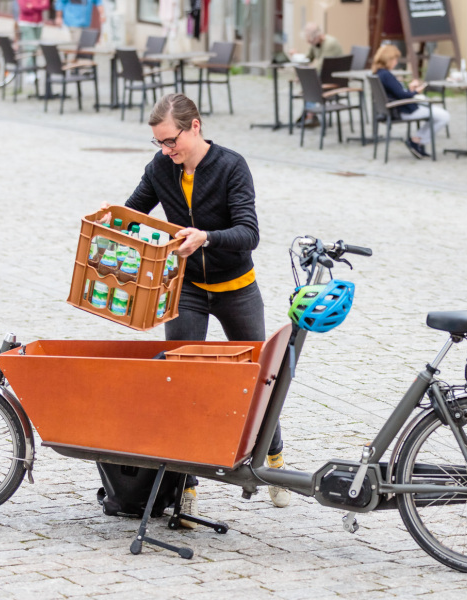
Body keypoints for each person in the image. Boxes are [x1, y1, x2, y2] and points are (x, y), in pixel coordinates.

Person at [103, 94, 290, 526]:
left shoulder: (231, 166)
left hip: (236, 288)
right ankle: (185, 489)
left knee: (260, 379)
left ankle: (273, 460)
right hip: (186, 288)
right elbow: (134, 213)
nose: (167, 151)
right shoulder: (161, 168)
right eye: (159, 144)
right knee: (183, 381)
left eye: (170, 141)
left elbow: (249, 233)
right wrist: (111, 221)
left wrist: (206, 237)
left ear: (195, 127)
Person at [371, 44, 451, 160]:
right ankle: (417, 140)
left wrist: (411, 90)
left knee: (435, 113)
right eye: (395, 59)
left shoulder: (378, 73)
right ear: (388, 59)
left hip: (392, 109)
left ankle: (418, 140)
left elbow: (397, 93)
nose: (396, 62)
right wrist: (416, 92)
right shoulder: (386, 75)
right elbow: (402, 95)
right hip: (402, 110)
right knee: (443, 116)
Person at [299, 23, 344, 127]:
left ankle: (310, 114)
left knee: (310, 83)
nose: (309, 43)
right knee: (309, 82)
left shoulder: (330, 43)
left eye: (310, 40)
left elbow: (320, 66)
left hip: (334, 79)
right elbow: (308, 58)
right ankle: (309, 114)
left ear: (317, 36)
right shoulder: (315, 44)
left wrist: (304, 73)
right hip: (323, 77)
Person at [15, 0, 50, 71]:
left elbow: (46, 6)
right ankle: (30, 71)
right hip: (26, 23)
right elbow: (24, 8)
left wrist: (32, 6)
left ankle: (33, 69)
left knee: (35, 48)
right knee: (31, 47)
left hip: (38, 23)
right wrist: (38, 7)